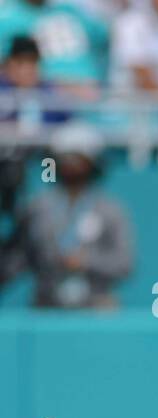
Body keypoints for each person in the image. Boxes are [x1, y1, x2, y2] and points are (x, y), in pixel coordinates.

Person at [5, 123, 133, 308]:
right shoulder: (37, 208)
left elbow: (125, 263)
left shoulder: (110, 210)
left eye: (78, 158)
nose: (71, 165)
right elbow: (19, 257)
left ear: (93, 162)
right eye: (65, 158)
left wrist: (87, 261)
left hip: (96, 301)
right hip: (46, 300)